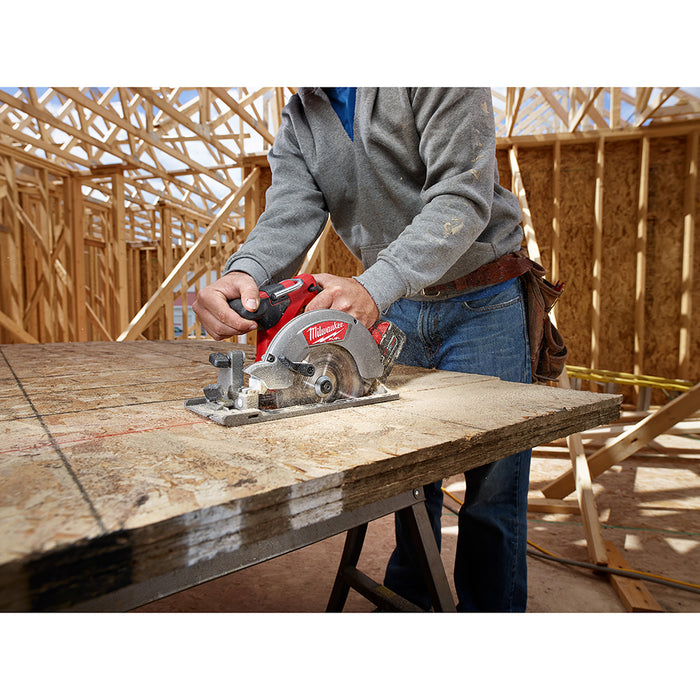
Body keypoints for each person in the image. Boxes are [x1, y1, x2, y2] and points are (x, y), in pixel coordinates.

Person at [193, 87, 532, 612]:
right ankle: (411, 604)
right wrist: (246, 272)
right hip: (396, 301)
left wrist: (376, 284)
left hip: (481, 298)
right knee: (410, 480)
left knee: (494, 492)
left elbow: (461, 196)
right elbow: (289, 210)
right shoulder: (302, 115)